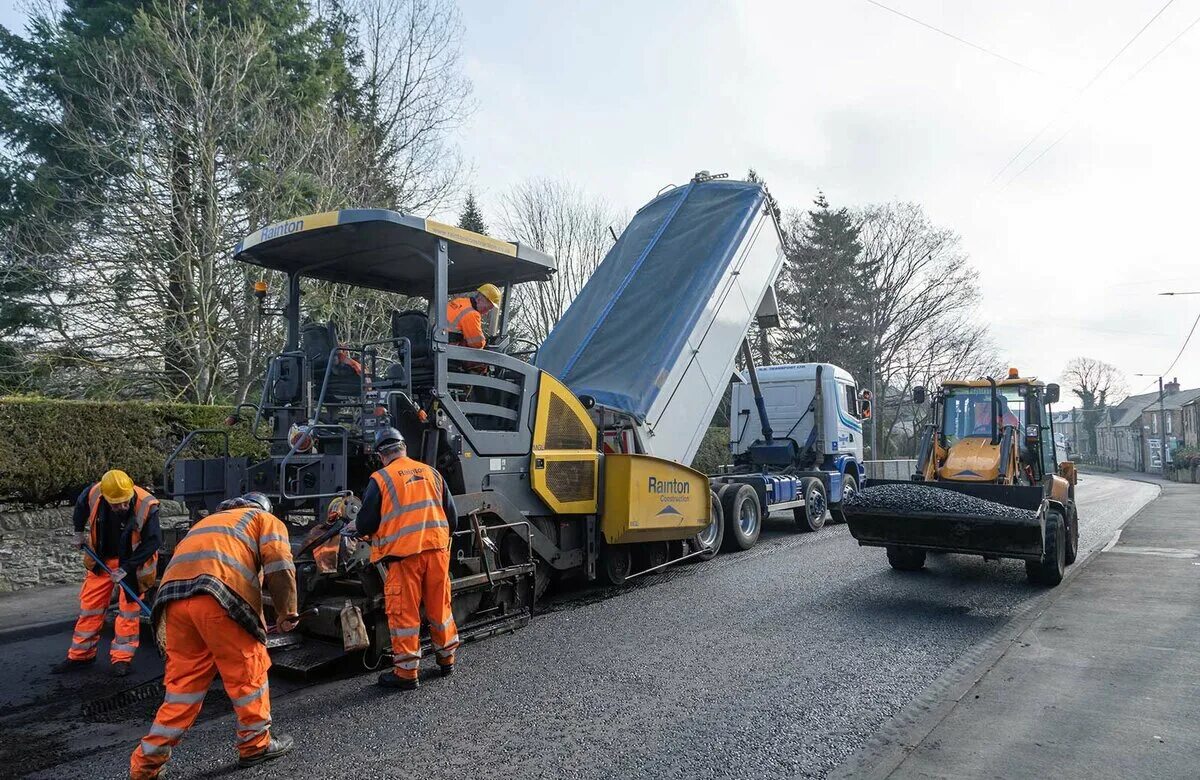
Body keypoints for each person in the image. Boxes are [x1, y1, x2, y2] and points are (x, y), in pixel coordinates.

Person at [128, 493, 299, 779]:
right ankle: (255, 745)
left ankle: (146, 763)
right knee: (247, 672)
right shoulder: (263, 519)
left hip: (172, 602)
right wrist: (286, 613)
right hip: (217, 597)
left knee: (184, 687)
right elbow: (279, 564)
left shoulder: (206, 523)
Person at [355, 427, 459, 690]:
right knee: (440, 608)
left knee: (405, 614)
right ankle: (446, 659)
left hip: (404, 558)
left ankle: (406, 673)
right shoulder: (431, 473)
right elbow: (453, 518)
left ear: (381, 455)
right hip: (436, 553)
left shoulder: (381, 479)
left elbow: (365, 524)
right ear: (404, 448)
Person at [53, 469, 161, 677]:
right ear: (105, 496)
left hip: (132, 563)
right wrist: (78, 532)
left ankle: (121, 659)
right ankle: (81, 655)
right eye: (115, 504)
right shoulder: (94, 493)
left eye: (124, 502)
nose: (121, 506)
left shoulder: (147, 505)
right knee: (90, 607)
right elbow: (81, 506)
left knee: (128, 611)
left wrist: (125, 568)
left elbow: (153, 542)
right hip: (101, 560)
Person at [445, 283, 502, 349]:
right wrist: (484, 343)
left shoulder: (459, 301)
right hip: (448, 350)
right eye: (486, 308)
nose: (485, 313)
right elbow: (477, 344)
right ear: (479, 299)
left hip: (437, 344)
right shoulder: (472, 314)